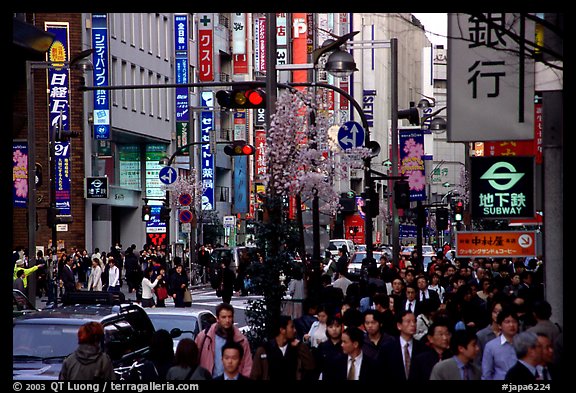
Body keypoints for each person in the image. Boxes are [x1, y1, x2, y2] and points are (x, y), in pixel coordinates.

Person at [250, 315, 316, 380]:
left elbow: (310, 366)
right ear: (282, 330)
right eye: (292, 327)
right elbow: (255, 375)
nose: (295, 330)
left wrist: (301, 346)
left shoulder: (296, 348)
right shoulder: (265, 350)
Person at [196, 303, 252, 378]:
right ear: (217, 319)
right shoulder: (204, 336)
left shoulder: (241, 340)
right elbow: (195, 360)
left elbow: (247, 365)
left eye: (230, 317)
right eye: (224, 317)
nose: (227, 320)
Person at [378, 310, 430, 381]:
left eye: (414, 321)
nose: (413, 324)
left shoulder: (423, 349)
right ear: (399, 326)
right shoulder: (387, 349)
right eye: (408, 321)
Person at [482, 307, 519, 380]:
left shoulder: (525, 343)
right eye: (507, 322)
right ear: (499, 325)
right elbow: (487, 374)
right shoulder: (491, 346)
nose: (511, 325)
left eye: (514, 321)